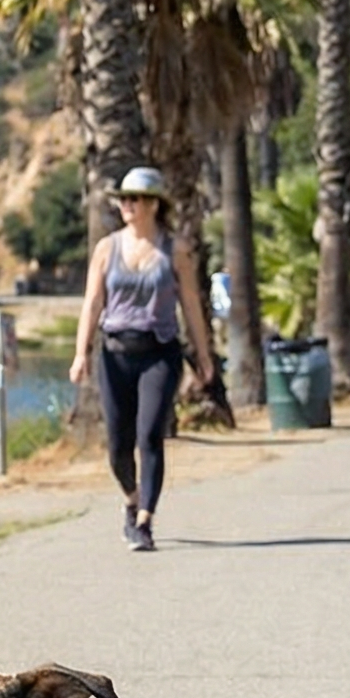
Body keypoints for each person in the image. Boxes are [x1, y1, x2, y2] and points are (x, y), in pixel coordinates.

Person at [68, 166, 218, 552]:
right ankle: (131, 498)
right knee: (118, 442)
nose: (126, 205)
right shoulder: (107, 248)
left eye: (133, 199)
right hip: (115, 352)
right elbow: (92, 303)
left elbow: (191, 306)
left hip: (159, 352)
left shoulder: (175, 249)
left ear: (153, 204)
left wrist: (203, 356)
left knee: (150, 434)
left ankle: (145, 520)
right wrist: (81, 352)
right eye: (122, 199)